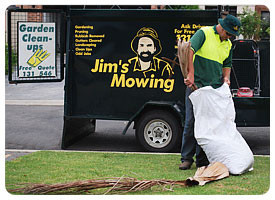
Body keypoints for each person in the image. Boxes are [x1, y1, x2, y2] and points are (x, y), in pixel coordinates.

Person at [179, 14, 242, 170]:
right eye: (228, 33)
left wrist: (226, 78)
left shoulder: (227, 44)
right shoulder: (204, 33)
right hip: (196, 87)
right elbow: (189, 51)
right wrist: (191, 74)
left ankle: (202, 160)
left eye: (232, 35)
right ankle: (186, 158)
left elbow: (227, 64)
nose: (229, 37)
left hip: (213, 91)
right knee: (191, 122)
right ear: (221, 27)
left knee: (208, 125)